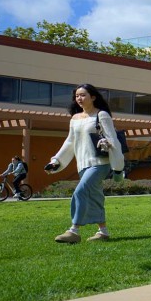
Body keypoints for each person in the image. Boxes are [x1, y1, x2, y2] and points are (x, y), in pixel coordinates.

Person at [46, 84, 125, 243]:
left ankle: (73, 231)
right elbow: (70, 142)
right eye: (77, 96)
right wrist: (56, 161)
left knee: (80, 191)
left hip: (99, 163)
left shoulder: (101, 115)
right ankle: (103, 232)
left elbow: (113, 140)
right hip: (82, 164)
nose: (79, 99)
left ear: (93, 97)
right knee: (95, 197)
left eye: (83, 95)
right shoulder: (75, 119)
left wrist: (117, 168)